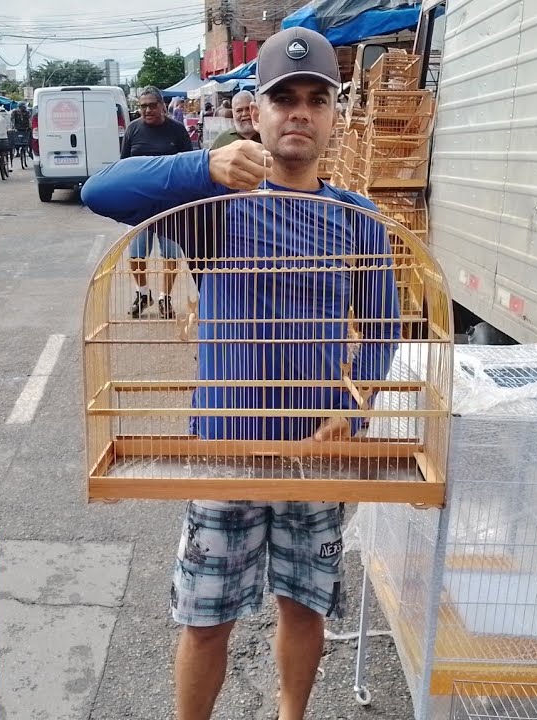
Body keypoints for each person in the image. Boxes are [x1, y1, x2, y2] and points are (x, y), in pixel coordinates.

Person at [81, 27, 400, 720]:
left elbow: (382, 327)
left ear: (334, 117)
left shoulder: (358, 220)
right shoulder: (215, 211)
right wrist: (205, 166)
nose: (300, 111)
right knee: (205, 616)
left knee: (304, 604)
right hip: (222, 445)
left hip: (316, 447)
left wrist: (358, 402)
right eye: (284, 97)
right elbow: (99, 189)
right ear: (255, 111)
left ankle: (292, 714)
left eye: (317, 98)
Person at [119, 86, 193, 320]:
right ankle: (143, 294)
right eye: (143, 106)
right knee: (136, 256)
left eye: (152, 105)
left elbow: (187, 166)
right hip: (140, 206)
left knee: (170, 255)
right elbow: (124, 166)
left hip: (170, 206)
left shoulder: (177, 130)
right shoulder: (133, 130)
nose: (148, 110)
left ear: (163, 106)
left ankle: (164, 298)